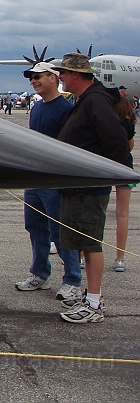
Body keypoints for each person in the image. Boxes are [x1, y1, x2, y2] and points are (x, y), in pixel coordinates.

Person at [52, 53, 131, 323]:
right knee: (84, 245)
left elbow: (117, 140)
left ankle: (94, 303)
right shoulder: (87, 100)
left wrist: (120, 175)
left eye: (63, 72)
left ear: (76, 74)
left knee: (91, 245)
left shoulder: (95, 101)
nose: (60, 76)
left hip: (89, 188)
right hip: (79, 187)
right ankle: (90, 297)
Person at [13, 62, 81, 302]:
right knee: (35, 228)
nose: (33, 81)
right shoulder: (37, 108)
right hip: (35, 179)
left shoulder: (66, 109)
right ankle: (40, 273)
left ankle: (72, 279)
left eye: (38, 77)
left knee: (60, 231)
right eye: (31, 78)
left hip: (54, 181)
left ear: (53, 78)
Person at [114, 89, 136, 272]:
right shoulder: (129, 121)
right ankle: (120, 257)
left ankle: (82, 255)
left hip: (104, 164)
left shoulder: (107, 119)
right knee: (122, 214)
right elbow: (130, 146)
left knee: (97, 213)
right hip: (124, 166)